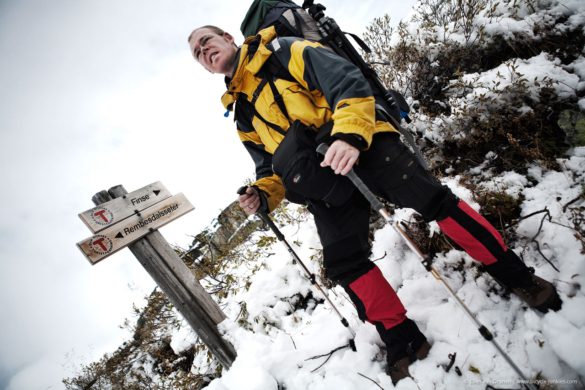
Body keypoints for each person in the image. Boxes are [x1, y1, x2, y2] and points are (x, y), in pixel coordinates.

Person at [187, 25, 562, 384]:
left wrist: (349, 135)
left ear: (227, 37)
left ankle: (518, 276)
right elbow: (268, 167)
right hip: (321, 179)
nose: (204, 52)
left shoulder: (284, 51)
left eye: (206, 41)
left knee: (436, 204)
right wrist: (263, 194)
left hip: (364, 143)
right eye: (197, 54)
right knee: (345, 263)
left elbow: (346, 82)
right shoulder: (242, 116)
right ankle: (401, 336)